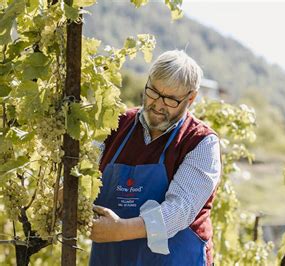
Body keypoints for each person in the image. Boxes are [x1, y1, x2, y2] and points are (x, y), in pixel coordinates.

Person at [88, 50, 221, 266]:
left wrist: (120, 229)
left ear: (191, 97)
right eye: (153, 92)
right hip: (111, 258)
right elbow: (84, 172)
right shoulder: (117, 124)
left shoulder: (200, 142)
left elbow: (181, 208)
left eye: (170, 100)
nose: (158, 105)